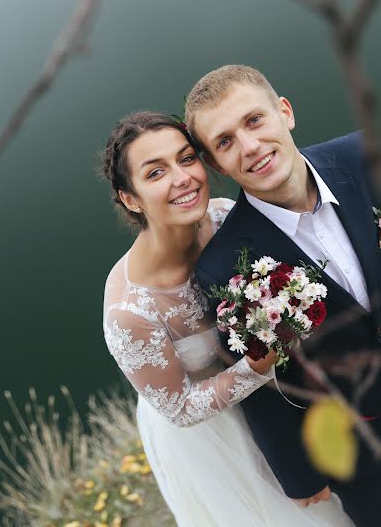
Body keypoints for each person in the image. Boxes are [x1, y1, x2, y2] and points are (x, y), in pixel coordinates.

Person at [101, 110, 353, 526]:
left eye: (186, 159)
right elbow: (180, 409)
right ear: (130, 198)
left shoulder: (223, 217)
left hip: (286, 399)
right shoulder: (130, 312)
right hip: (218, 437)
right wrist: (256, 367)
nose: (182, 178)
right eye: (155, 172)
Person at [186, 64, 381, 527]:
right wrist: (297, 474)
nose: (250, 147)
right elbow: (260, 382)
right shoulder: (224, 267)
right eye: (225, 142)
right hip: (367, 453)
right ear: (215, 164)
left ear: (284, 112)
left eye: (254, 121)